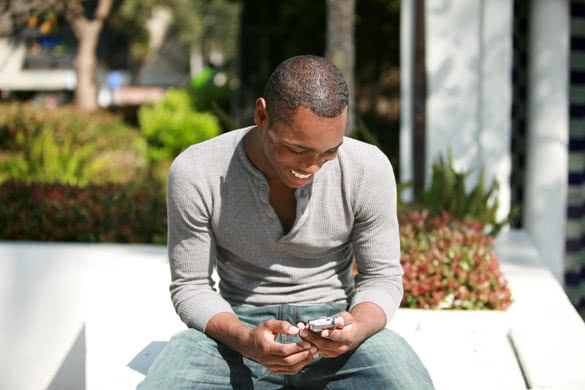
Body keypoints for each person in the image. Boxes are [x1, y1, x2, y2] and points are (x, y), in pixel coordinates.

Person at [137, 55, 434, 390]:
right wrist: (247, 340)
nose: (312, 167)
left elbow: (383, 276)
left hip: (337, 329)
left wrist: (357, 327)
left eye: (329, 152)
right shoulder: (197, 170)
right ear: (262, 115)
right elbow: (191, 287)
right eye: (297, 149)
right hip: (236, 330)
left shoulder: (368, 168)